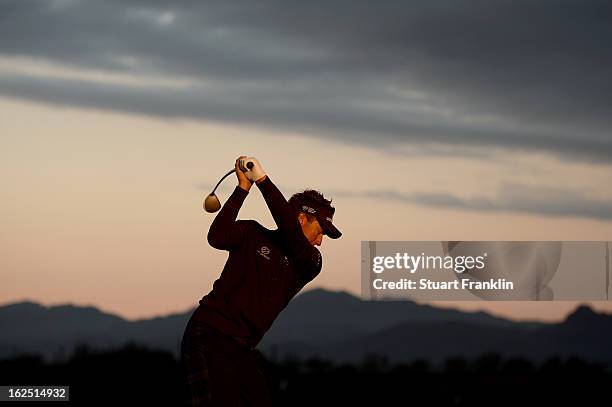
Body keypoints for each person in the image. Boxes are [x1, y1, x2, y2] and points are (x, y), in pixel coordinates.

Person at [181, 156, 342, 406]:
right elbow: (218, 236)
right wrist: (243, 188)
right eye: (319, 231)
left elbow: (290, 232)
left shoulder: (310, 261)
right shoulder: (252, 233)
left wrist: (263, 181)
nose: (320, 241)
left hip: (241, 348)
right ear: (301, 219)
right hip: (207, 334)